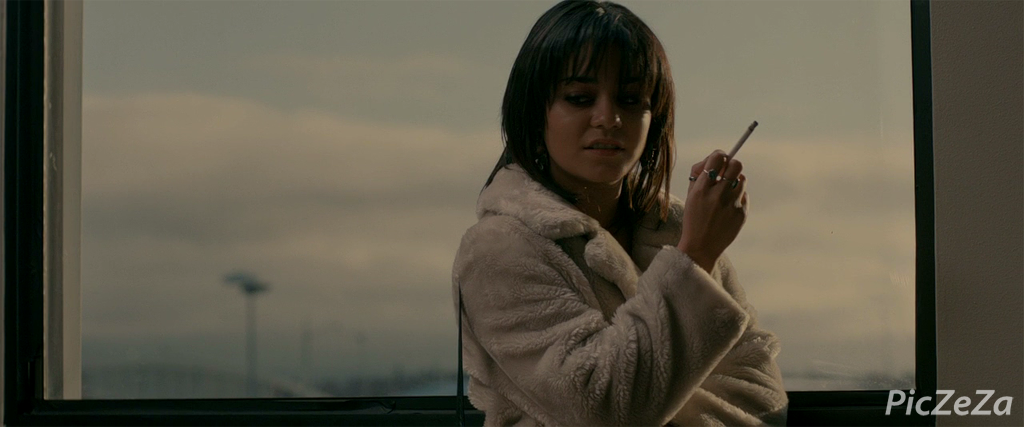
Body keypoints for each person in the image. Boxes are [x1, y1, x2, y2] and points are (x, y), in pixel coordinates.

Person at [451, 1, 788, 425]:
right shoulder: (497, 249)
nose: (609, 118)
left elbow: (762, 398)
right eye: (579, 98)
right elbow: (603, 408)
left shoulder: (675, 229)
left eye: (631, 100)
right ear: (535, 112)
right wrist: (695, 257)